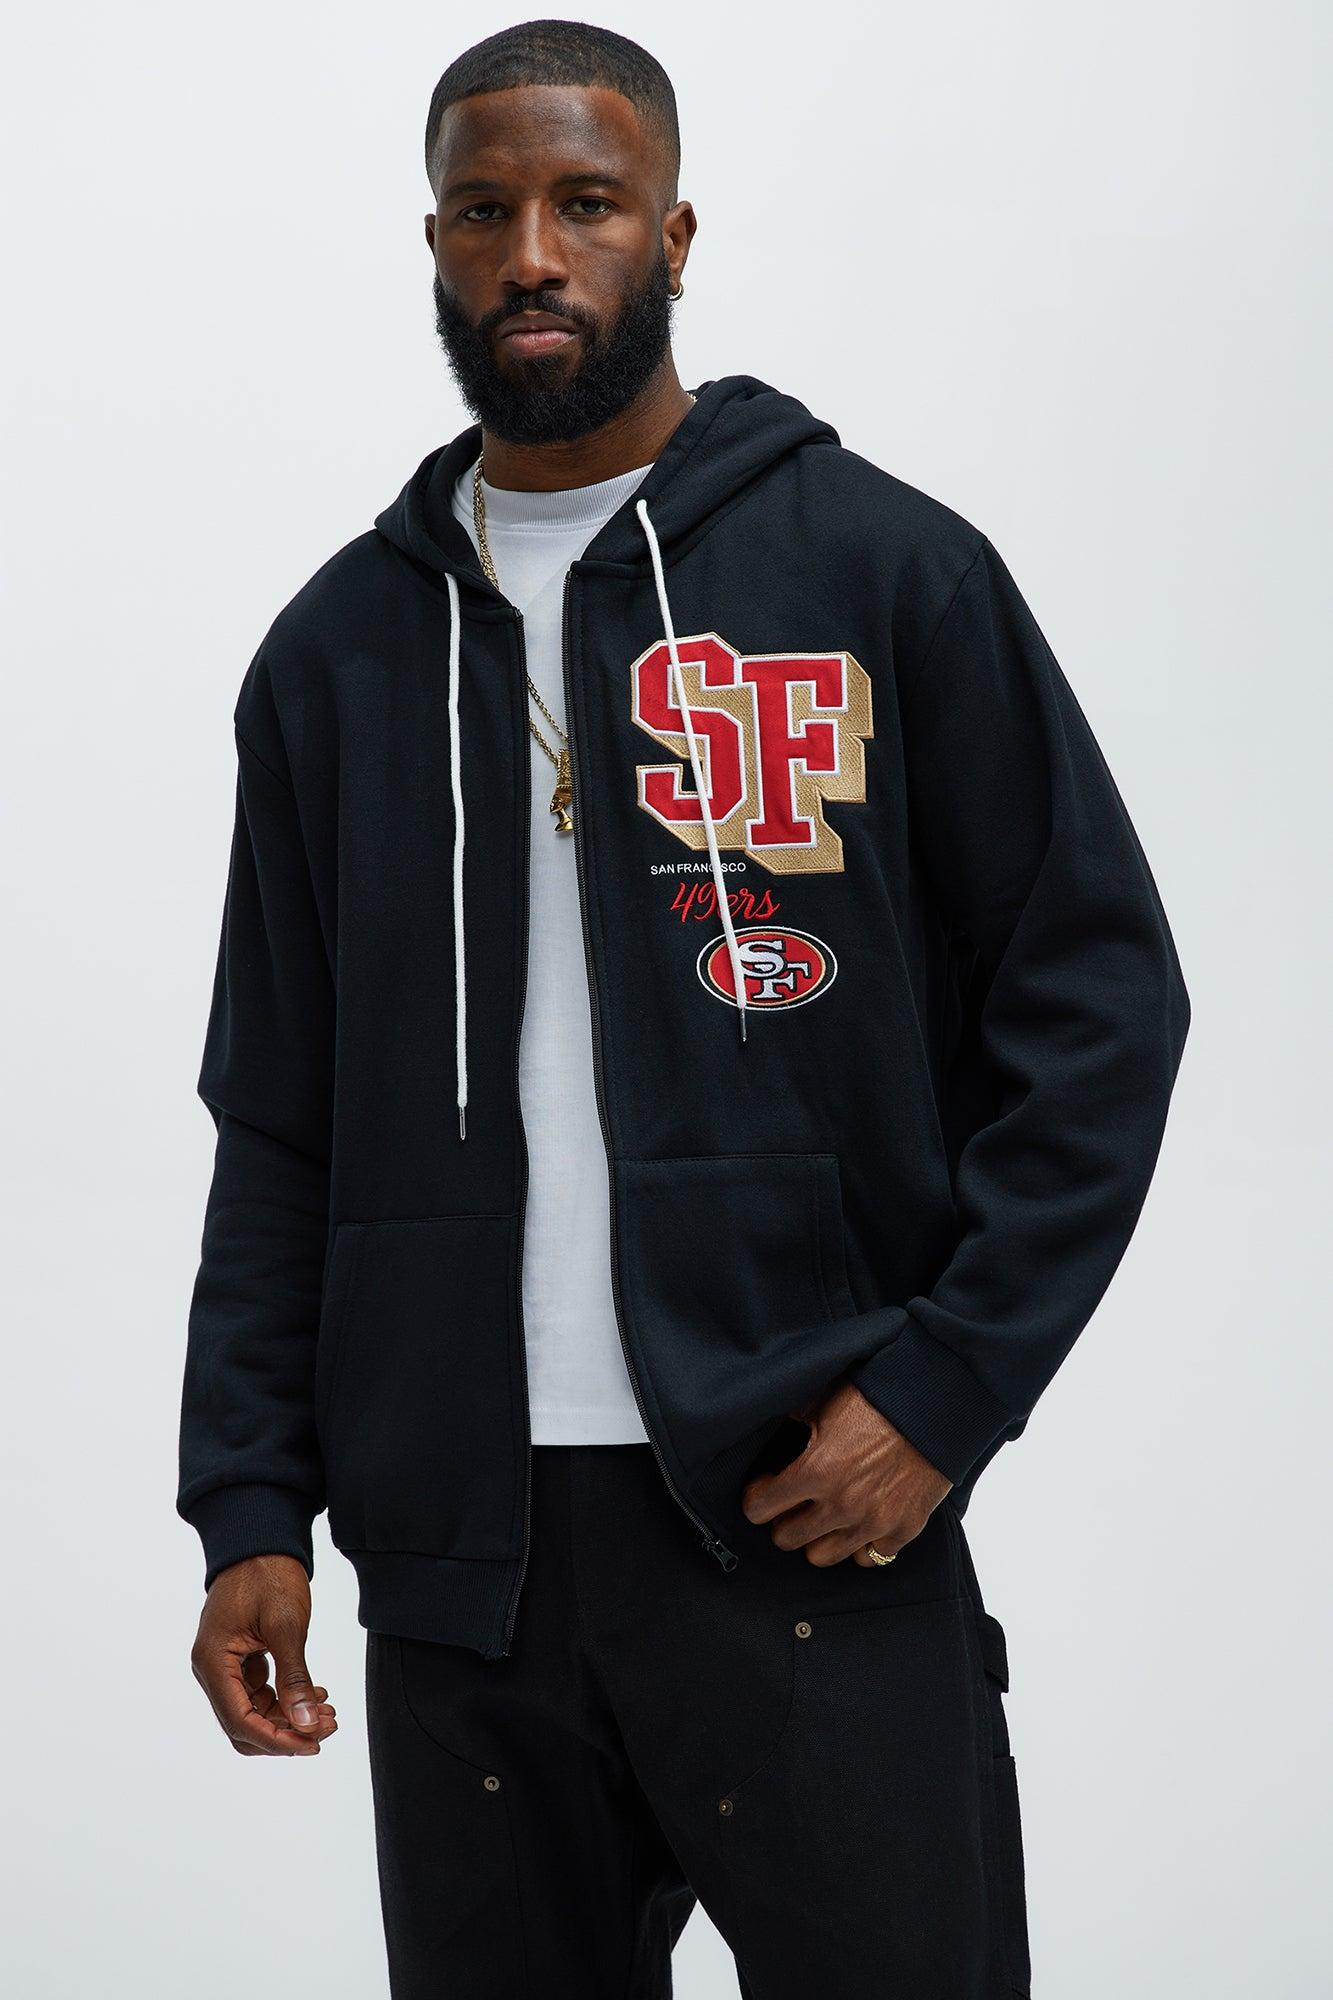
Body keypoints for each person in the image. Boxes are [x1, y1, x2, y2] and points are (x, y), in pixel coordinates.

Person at [177, 19, 1190, 1997]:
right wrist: (249, 1503)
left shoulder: (882, 571)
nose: (532, 255)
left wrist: (946, 1385)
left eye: (585, 203)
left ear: (672, 231)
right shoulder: (337, 657)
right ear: (433, 241)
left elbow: (1096, 1005)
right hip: (461, 1575)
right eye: (483, 211)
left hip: (805, 1518)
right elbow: (275, 1120)